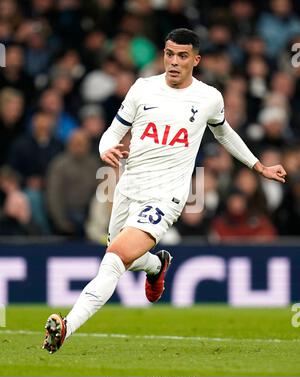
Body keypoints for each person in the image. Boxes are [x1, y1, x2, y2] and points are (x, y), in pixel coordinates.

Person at [42, 28, 287, 354]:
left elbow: (225, 133)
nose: (173, 61)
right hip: (128, 189)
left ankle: (66, 327)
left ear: (195, 60)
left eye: (182, 56)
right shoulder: (143, 89)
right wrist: (105, 149)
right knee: (120, 255)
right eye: (169, 54)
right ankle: (156, 267)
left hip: (166, 197)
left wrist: (258, 166)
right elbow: (111, 134)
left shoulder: (208, 98)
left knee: (114, 259)